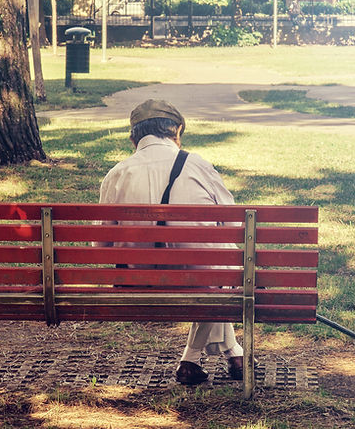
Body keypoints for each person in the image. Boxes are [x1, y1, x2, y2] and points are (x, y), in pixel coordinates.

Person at [99, 99, 246, 385]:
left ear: (134, 137)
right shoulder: (198, 166)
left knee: (214, 272)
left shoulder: (116, 173)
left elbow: (101, 246)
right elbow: (235, 226)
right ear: (176, 131)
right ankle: (211, 356)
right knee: (218, 267)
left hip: (135, 281)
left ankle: (215, 357)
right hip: (201, 280)